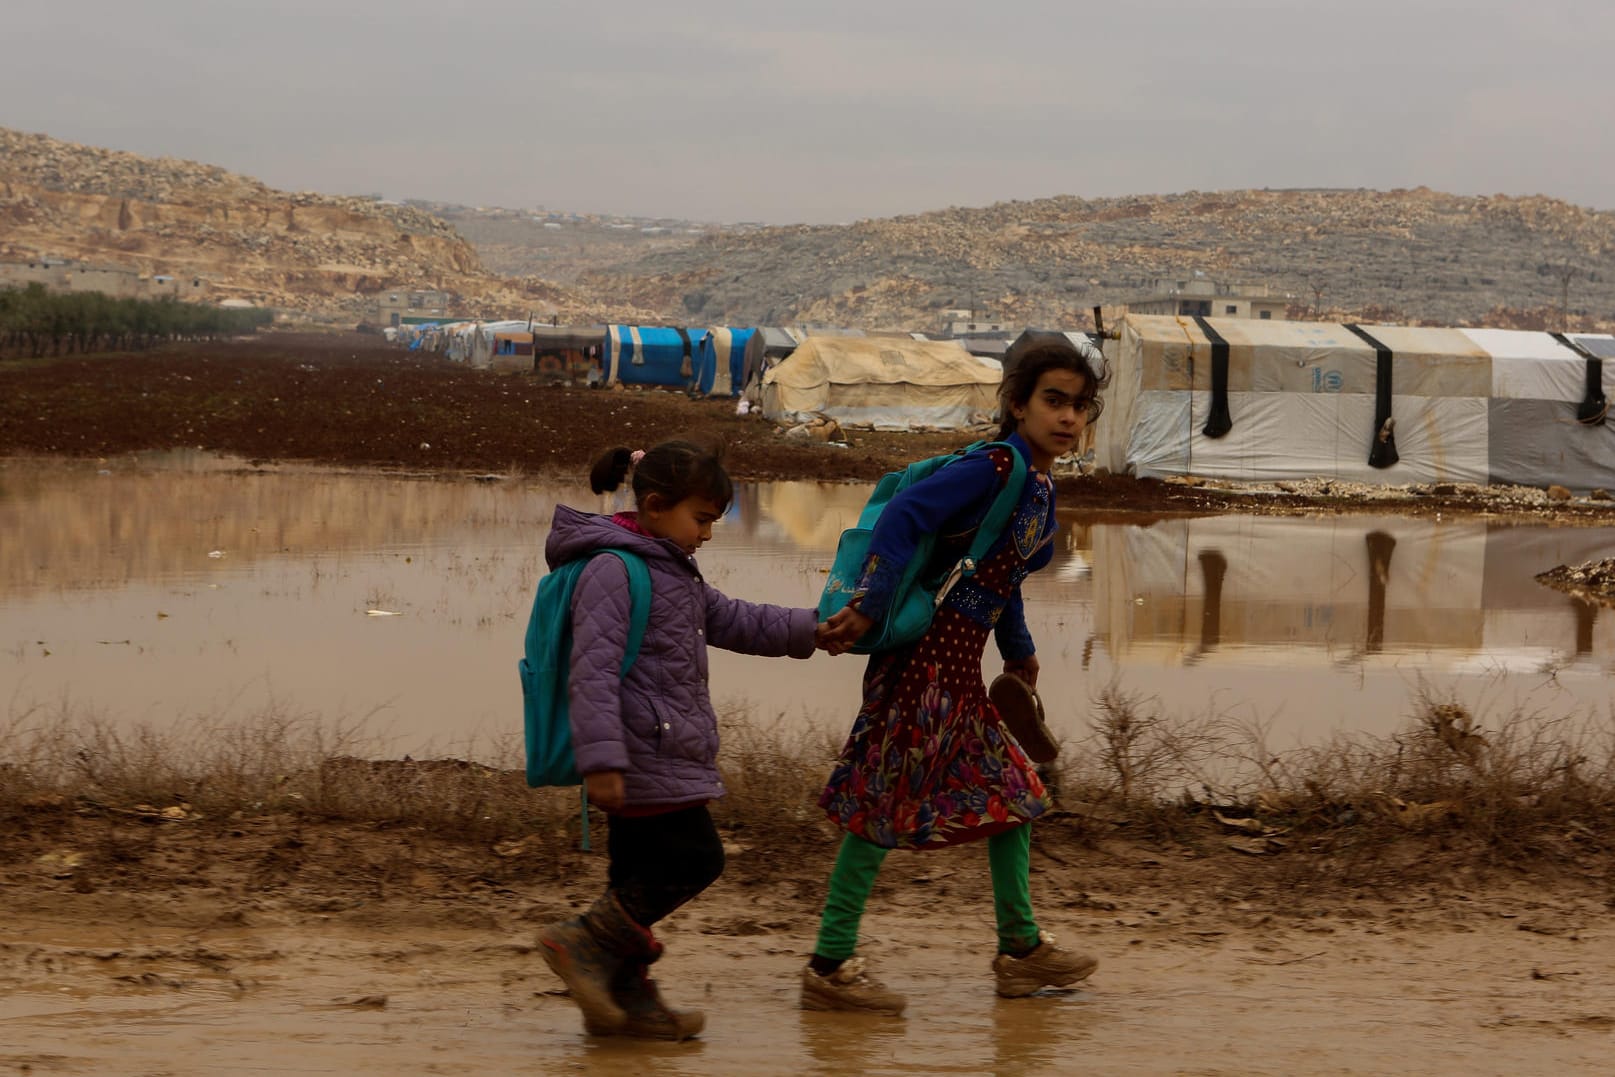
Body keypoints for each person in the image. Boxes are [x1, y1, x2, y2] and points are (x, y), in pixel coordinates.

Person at [803, 338, 1107, 1014]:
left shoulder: (1037, 482)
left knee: (1014, 796)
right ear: (1016, 403)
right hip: (920, 663)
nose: (1067, 416)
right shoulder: (995, 467)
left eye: (1079, 406)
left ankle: (1020, 950)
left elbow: (1001, 578)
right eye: (1053, 400)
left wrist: (1018, 651)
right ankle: (828, 963)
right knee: (880, 802)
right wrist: (870, 604)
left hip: (959, 667)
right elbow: (908, 517)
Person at [538, 439, 826, 1040]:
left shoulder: (672, 570)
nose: (708, 534)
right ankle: (582, 940)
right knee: (696, 858)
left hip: (656, 753)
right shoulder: (613, 570)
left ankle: (628, 1005)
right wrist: (601, 762)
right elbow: (590, 672)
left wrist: (815, 630)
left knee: (633, 879)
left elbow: (737, 619)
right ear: (654, 505)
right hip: (641, 755)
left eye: (713, 521)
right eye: (701, 519)